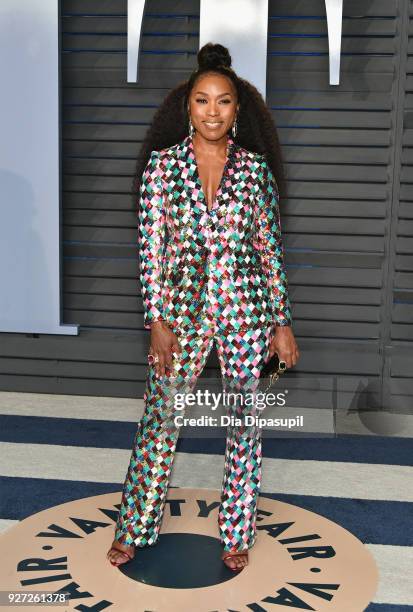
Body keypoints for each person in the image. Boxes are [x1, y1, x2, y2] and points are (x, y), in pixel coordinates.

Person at [107, 42, 300, 572]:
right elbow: (151, 250)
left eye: (223, 102)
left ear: (239, 110)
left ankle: (236, 533)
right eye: (202, 100)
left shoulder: (256, 172)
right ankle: (136, 527)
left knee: (245, 424)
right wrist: (157, 321)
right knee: (161, 420)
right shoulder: (162, 170)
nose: (212, 111)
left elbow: (268, 249)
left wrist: (281, 322)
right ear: (186, 107)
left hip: (247, 312)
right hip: (181, 315)